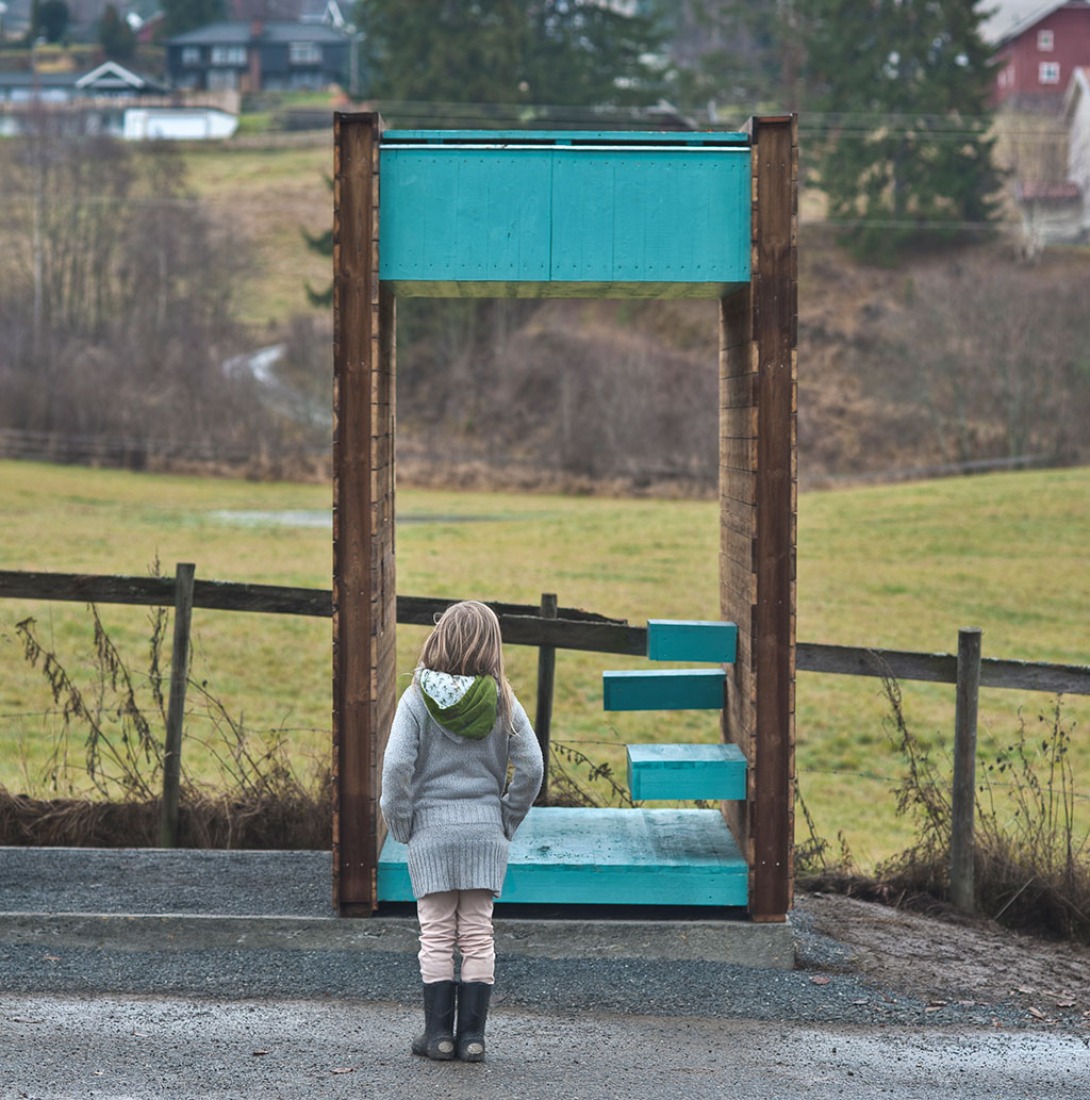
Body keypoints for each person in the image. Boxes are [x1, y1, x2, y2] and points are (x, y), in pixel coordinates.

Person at [380, 600, 544, 1062]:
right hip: (484, 833)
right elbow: (531, 766)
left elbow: (395, 767)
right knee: (476, 933)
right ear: (492, 646)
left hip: (430, 832)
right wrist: (507, 815)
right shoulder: (502, 699)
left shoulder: (416, 697)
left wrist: (401, 820)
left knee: (435, 934)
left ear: (439, 638)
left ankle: (438, 1037)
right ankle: (472, 1038)